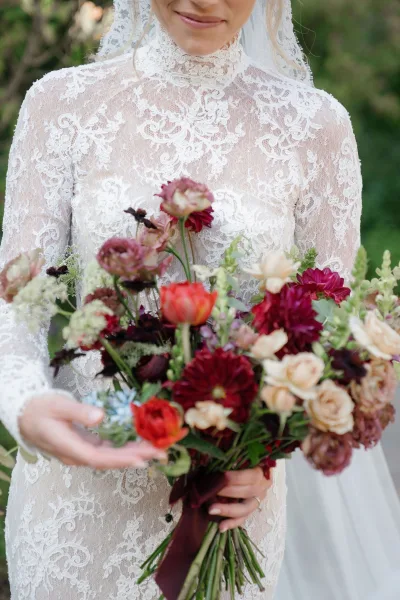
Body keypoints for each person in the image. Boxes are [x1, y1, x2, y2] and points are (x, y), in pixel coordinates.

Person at [0, 0, 388, 598]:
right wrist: (24, 406)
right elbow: (15, 299)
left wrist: (266, 454)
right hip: (77, 494)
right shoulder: (62, 104)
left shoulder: (317, 129)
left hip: (231, 504)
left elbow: (332, 332)